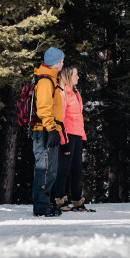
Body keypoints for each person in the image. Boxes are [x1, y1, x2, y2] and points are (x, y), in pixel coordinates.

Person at [31, 46, 66, 217]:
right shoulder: (45, 80)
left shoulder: (51, 78)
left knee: (49, 170)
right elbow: (44, 107)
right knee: (43, 169)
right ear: (56, 63)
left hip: (48, 129)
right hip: (44, 130)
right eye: (61, 60)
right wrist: (51, 129)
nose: (63, 63)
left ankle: (46, 204)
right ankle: (41, 207)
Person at [54, 65, 93, 212]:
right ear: (69, 76)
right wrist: (63, 141)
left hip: (77, 135)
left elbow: (79, 118)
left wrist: (83, 138)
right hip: (67, 135)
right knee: (64, 169)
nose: (78, 77)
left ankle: (77, 201)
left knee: (77, 170)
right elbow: (60, 118)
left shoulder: (76, 94)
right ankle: (60, 199)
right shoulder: (61, 92)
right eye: (76, 74)